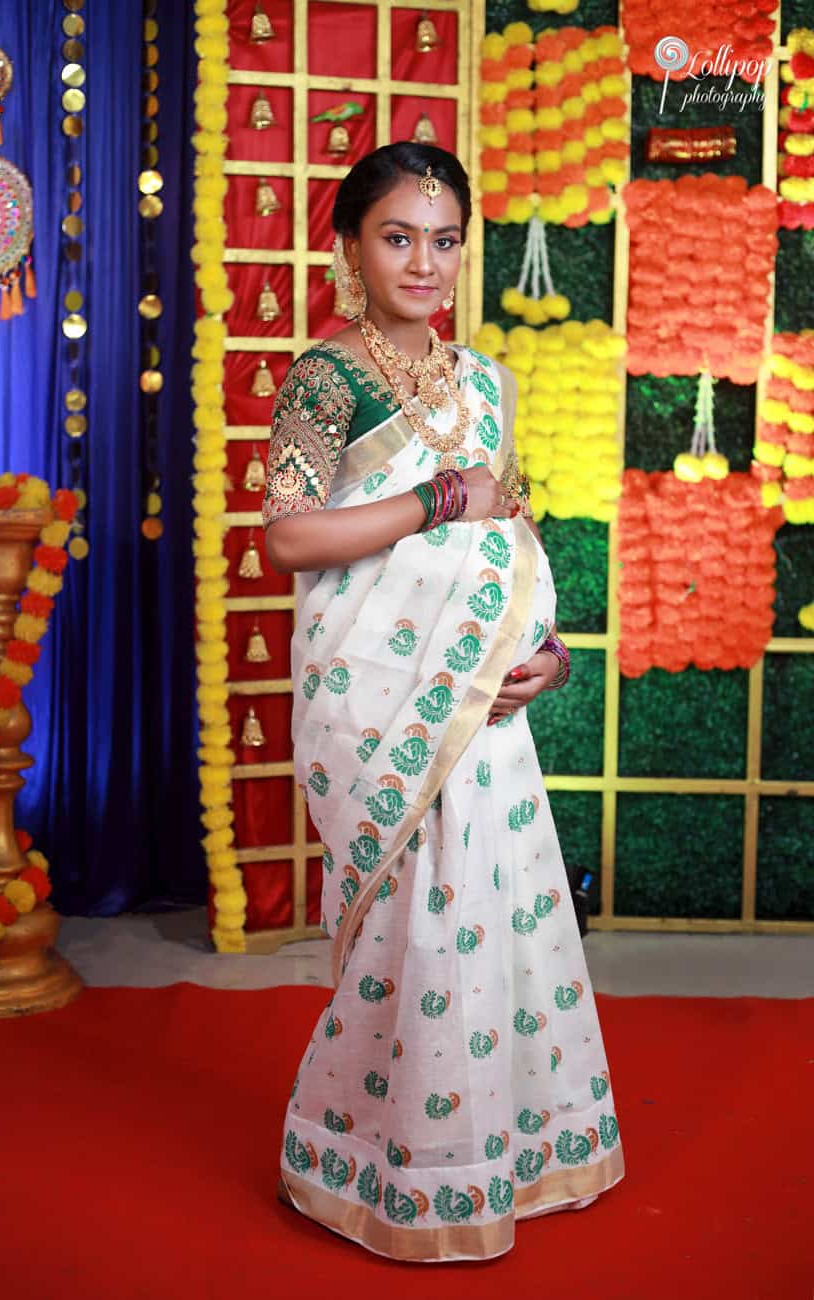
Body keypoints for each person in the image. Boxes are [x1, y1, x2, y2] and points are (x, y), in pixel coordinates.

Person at [261, 142, 625, 1263]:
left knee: (494, 911)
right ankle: (384, 1159)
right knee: (419, 920)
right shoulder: (323, 378)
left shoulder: (485, 382)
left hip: (480, 698)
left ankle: (507, 1145)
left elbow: (502, 538)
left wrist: (548, 654)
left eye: (446, 238)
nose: (426, 261)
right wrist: (431, 497)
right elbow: (289, 535)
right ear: (348, 247)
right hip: (381, 698)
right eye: (398, 236)